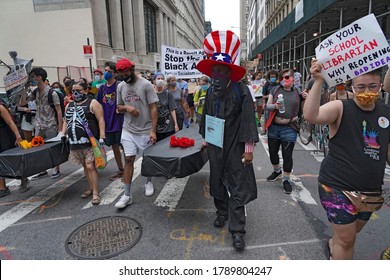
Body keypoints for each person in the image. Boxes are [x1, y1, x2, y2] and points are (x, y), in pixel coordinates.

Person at [304, 61, 390, 260]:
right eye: (361, 87)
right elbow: (311, 115)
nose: (366, 91)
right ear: (352, 87)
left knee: (350, 234)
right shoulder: (340, 107)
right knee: (347, 238)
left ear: (380, 87)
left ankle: (334, 244)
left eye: (372, 87)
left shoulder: (386, 112)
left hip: (370, 191)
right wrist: (318, 81)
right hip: (336, 186)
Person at [197, 30, 259, 250]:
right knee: (217, 182)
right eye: (214, 71)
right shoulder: (212, 92)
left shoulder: (241, 91)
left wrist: (249, 148)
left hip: (235, 147)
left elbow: (248, 120)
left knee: (237, 187)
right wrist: (206, 138)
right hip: (216, 146)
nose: (216, 75)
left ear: (228, 72)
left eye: (220, 71)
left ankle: (238, 231)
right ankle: (221, 212)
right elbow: (207, 115)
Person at [114, 58, 159, 208]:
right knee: (128, 159)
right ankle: (127, 194)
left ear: (132, 69)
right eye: (121, 73)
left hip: (145, 129)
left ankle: (148, 182)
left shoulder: (146, 84)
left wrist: (153, 130)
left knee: (147, 159)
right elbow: (118, 107)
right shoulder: (120, 86)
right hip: (128, 129)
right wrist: (127, 108)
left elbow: (153, 108)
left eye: (126, 71)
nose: (124, 75)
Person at [61, 81, 106, 205]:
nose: (75, 93)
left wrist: (102, 136)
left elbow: (101, 119)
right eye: (73, 90)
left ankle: (96, 192)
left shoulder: (93, 103)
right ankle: (91, 188)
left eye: (79, 90)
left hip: (90, 141)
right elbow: (66, 120)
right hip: (75, 142)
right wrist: (63, 133)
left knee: (91, 166)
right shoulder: (69, 105)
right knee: (85, 166)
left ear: (86, 90)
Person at [265, 68, 305, 194]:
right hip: (274, 127)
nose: (284, 80)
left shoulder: (298, 92)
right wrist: (275, 106)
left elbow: (305, 110)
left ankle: (286, 180)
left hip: (290, 128)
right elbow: (267, 106)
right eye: (282, 78)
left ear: (293, 78)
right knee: (273, 153)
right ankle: (277, 171)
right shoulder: (275, 89)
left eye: (287, 77)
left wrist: (307, 98)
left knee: (287, 155)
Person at [29, 67, 62, 180]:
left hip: (50, 124)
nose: (32, 79)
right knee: (38, 148)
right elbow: (24, 102)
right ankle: (42, 170)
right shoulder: (35, 92)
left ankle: (56, 168)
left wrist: (61, 128)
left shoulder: (52, 93)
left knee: (53, 148)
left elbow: (58, 111)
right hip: (38, 124)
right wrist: (23, 89)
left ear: (39, 77)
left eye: (33, 77)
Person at [96, 61, 125, 181]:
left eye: (109, 71)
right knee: (114, 147)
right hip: (108, 122)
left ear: (115, 73)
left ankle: (128, 169)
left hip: (120, 121)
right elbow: (97, 104)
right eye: (106, 70)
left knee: (124, 147)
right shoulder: (102, 88)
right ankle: (121, 169)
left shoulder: (120, 85)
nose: (106, 73)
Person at [0, 102, 23, 197]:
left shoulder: (0, 107)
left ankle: (24, 179)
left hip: (4, 135)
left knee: (12, 159)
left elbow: (10, 122)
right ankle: (2, 188)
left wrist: (18, 136)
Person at [154, 72, 179, 141]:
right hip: (156, 124)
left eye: (162, 79)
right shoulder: (151, 93)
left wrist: (176, 124)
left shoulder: (168, 94)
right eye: (158, 78)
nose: (160, 80)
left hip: (168, 124)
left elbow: (172, 110)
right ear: (154, 80)